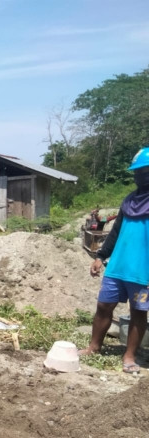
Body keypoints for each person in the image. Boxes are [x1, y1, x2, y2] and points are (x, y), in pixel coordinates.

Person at [81, 147, 149, 373]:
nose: (140, 176)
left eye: (144, 171)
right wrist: (100, 256)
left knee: (138, 311)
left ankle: (129, 357)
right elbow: (116, 231)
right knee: (104, 305)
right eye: (137, 172)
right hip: (118, 266)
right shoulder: (129, 201)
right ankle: (94, 346)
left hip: (143, 271)